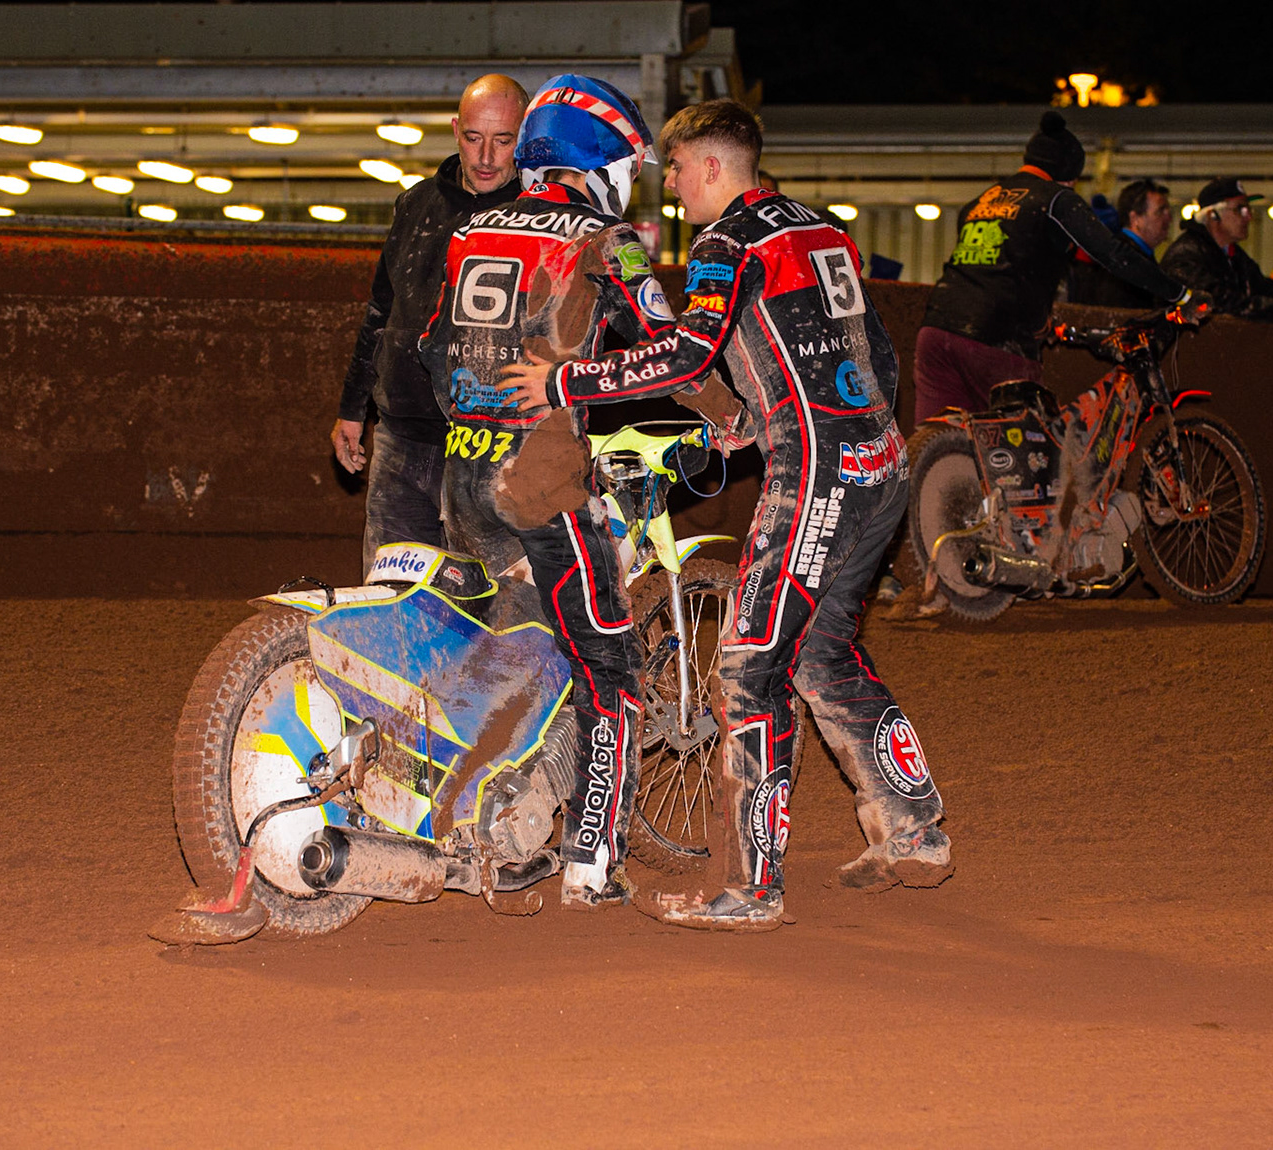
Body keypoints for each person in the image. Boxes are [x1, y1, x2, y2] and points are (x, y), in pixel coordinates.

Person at [500, 99, 953, 932]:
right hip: (878, 462)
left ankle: (753, 887)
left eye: (674, 171)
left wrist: (566, 385)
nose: (668, 189)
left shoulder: (729, 241)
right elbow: (873, 353)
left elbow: (686, 351)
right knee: (821, 651)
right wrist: (776, 423)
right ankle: (915, 826)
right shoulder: (821, 231)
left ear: (713, 168)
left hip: (816, 472)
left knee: (748, 669)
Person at [419, 74, 695, 911]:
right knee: (606, 662)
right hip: (535, 483)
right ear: (601, 159)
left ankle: (492, 819)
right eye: (630, 164)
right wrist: (734, 417)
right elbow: (670, 341)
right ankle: (590, 866)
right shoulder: (607, 239)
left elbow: (435, 347)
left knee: (515, 651)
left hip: (462, 479)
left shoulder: (476, 227)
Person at [333, 75, 529, 571]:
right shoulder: (414, 206)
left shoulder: (538, 217)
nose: (486, 156)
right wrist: (352, 408)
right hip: (401, 436)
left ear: (524, 137)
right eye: (473, 138)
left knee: (491, 606)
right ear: (454, 129)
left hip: (490, 444)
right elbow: (381, 312)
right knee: (388, 600)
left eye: (503, 141)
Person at [917, 112, 1185, 418]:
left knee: (941, 437)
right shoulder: (1057, 199)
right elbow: (1113, 254)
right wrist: (1179, 295)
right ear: (1068, 174)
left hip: (936, 330)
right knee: (1027, 452)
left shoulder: (980, 202)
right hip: (998, 337)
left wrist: (1039, 319)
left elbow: (996, 266)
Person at [1161, 178, 1273, 321]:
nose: (1249, 217)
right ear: (1213, 215)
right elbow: (1214, 302)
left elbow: (1265, 289)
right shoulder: (1185, 256)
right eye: (1240, 209)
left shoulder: (1235, 257)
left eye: (1248, 209)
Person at [1072, 178, 1173, 309]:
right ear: (1135, 218)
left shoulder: (1134, 255)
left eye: (1168, 212)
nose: (1169, 218)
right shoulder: (1122, 259)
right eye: (1160, 211)